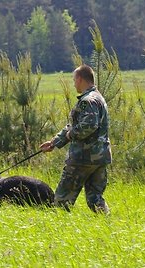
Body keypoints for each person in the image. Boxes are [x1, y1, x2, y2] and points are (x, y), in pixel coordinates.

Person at [39, 64, 111, 213]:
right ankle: (108, 226)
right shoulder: (99, 99)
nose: (73, 84)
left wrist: (69, 135)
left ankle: (58, 233)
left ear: (79, 79)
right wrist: (54, 143)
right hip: (100, 158)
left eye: (73, 80)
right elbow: (74, 126)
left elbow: (88, 126)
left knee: (62, 200)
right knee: (95, 199)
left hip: (83, 157)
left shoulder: (87, 101)